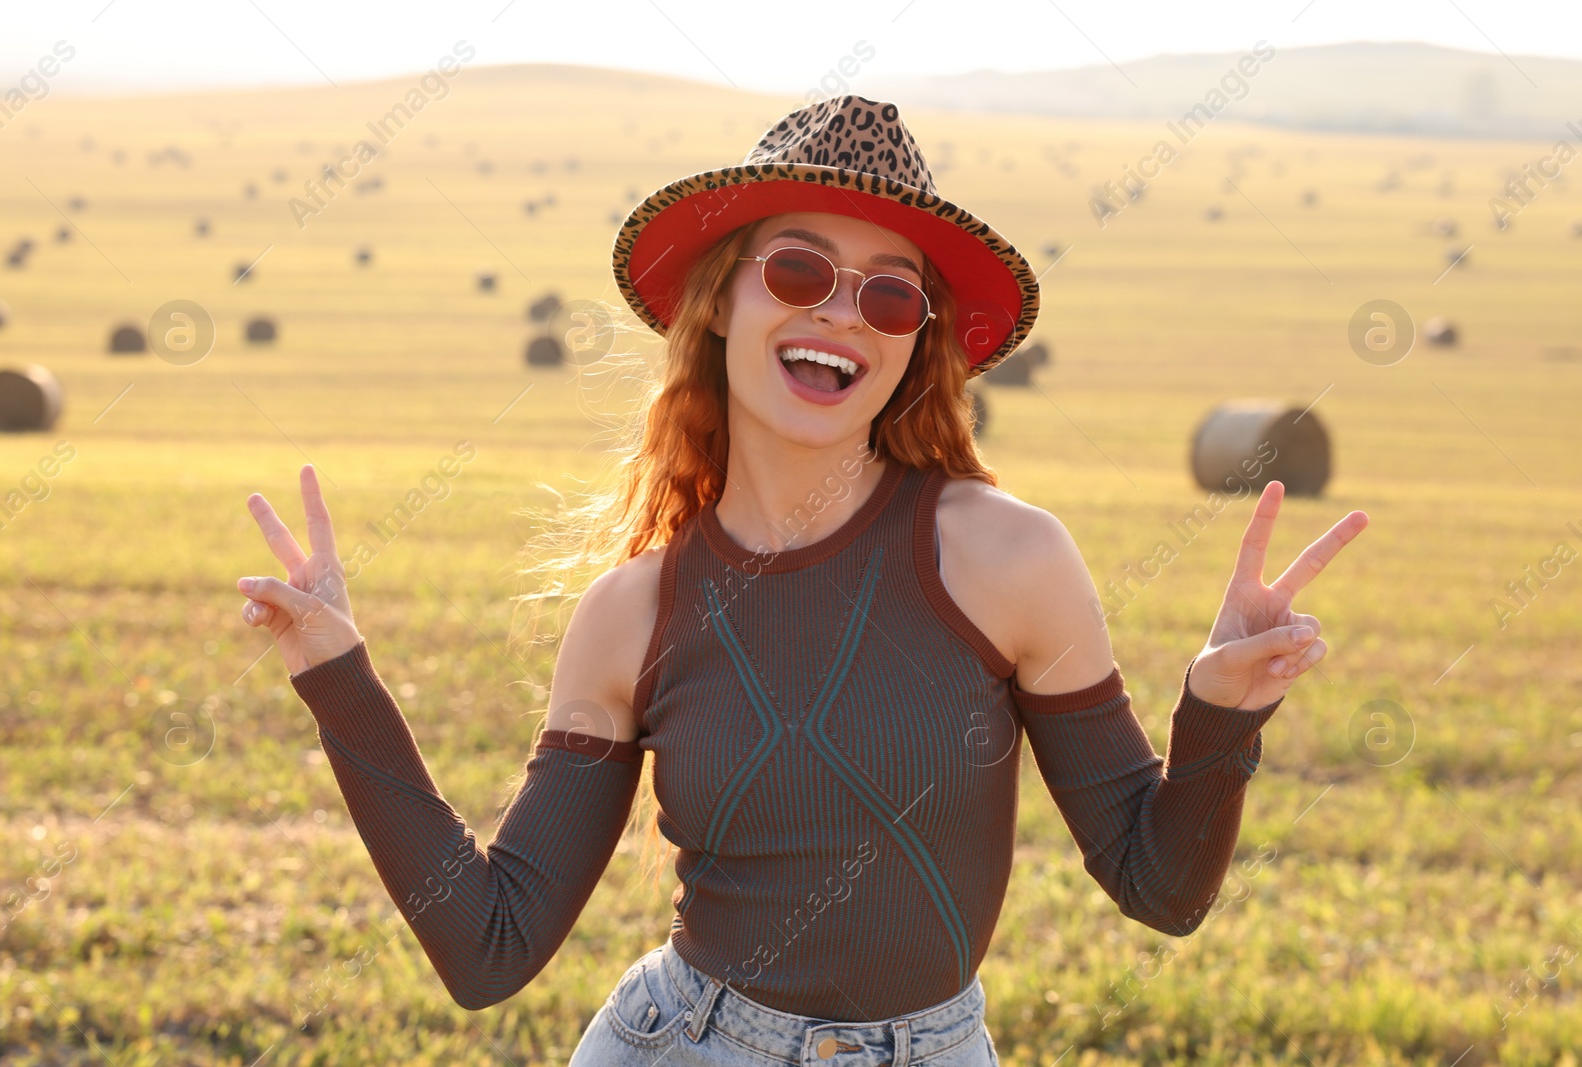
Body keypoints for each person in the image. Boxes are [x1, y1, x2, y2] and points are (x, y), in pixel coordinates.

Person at [235, 95, 1368, 1066]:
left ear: (914, 341)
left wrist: (1220, 711)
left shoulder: (1008, 557)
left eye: (887, 294)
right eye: (798, 269)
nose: (840, 313)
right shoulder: (629, 615)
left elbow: (1160, 887)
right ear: (725, 296)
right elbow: (488, 946)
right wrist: (340, 680)